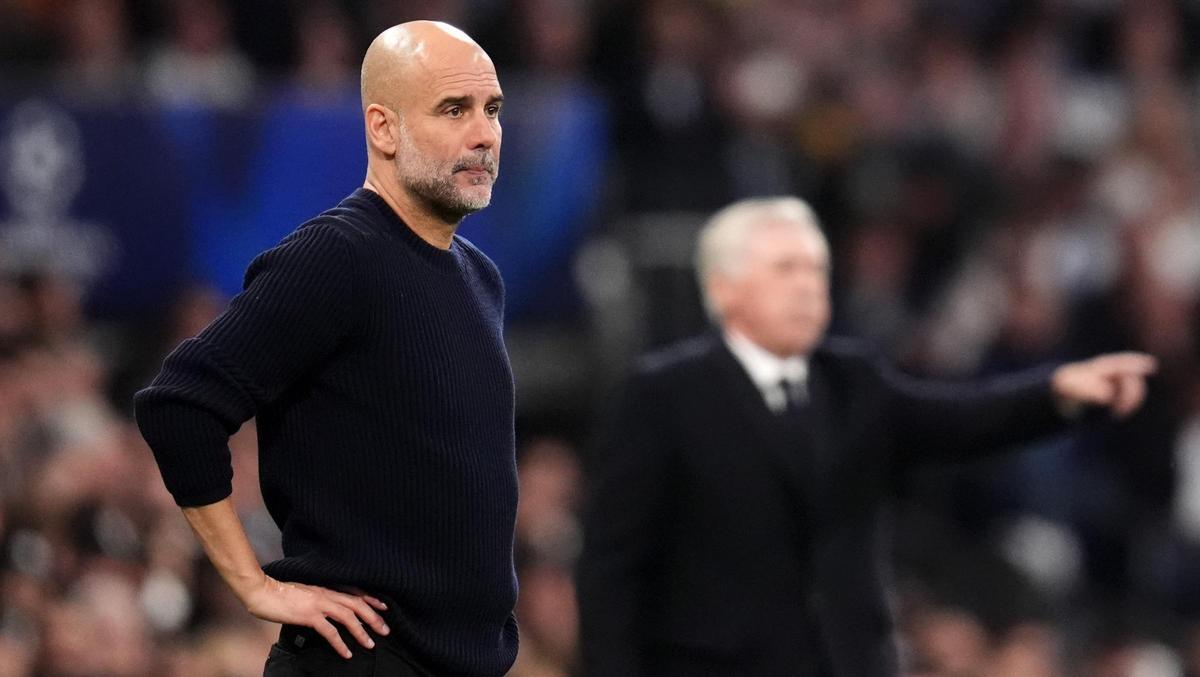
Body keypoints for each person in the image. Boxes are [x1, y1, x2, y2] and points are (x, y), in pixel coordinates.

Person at [575, 196, 1157, 677]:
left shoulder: (852, 381)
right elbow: (611, 567)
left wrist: (1057, 393)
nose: (808, 286)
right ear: (724, 289)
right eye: (786, 269)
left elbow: (957, 420)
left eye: (816, 269)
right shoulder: (664, 395)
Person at [134, 21, 517, 677]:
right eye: (454, 109)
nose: (484, 133)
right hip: (358, 659)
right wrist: (256, 586)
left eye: (493, 109)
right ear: (383, 128)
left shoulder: (479, 274)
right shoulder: (337, 255)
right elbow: (179, 405)